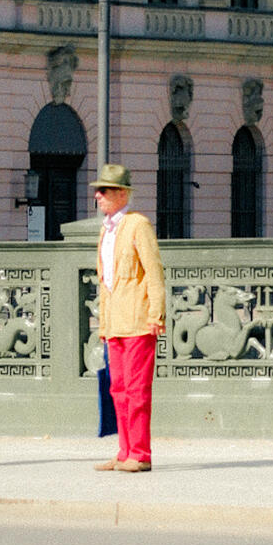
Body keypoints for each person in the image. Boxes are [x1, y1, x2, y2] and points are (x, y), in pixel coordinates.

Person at [92, 164, 165, 472]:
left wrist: (156, 314)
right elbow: (106, 280)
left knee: (137, 390)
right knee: (117, 389)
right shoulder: (107, 230)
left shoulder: (138, 225)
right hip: (115, 323)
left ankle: (140, 453)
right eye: (98, 190)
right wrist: (104, 324)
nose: (98, 196)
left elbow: (153, 271)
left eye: (105, 191)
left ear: (122, 194)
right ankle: (124, 451)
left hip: (137, 321)